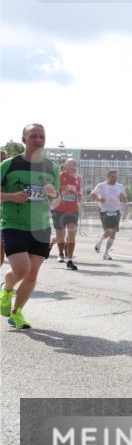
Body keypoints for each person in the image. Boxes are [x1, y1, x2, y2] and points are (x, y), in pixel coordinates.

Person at [0, 124, 61, 329]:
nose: (38, 140)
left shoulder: (52, 168)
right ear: (24, 140)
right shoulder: (9, 164)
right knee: (22, 269)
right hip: (14, 224)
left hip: (41, 227)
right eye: (33, 136)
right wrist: (11, 197)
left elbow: (57, 203)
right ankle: (7, 288)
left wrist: (53, 194)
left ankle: (17, 313)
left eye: (41, 136)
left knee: (32, 274)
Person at [50, 158, 82, 270]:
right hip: (58, 209)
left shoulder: (78, 178)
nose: (74, 165)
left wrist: (78, 196)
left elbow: (78, 192)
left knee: (72, 232)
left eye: (75, 164)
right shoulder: (59, 176)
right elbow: (52, 190)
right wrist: (59, 193)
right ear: (65, 166)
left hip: (72, 209)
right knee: (60, 235)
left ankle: (70, 260)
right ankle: (60, 254)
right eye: (72, 164)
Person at [90, 170, 127, 260]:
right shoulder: (101, 185)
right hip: (104, 211)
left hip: (116, 211)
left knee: (113, 233)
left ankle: (106, 253)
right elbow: (92, 195)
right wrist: (99, 199)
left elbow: (125, 200)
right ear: (108, 177)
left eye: (115, 177)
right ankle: (99, 242)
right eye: (112, 177)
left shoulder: (120, 186)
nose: (114, 178)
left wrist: (123, 198)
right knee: (108, 231)